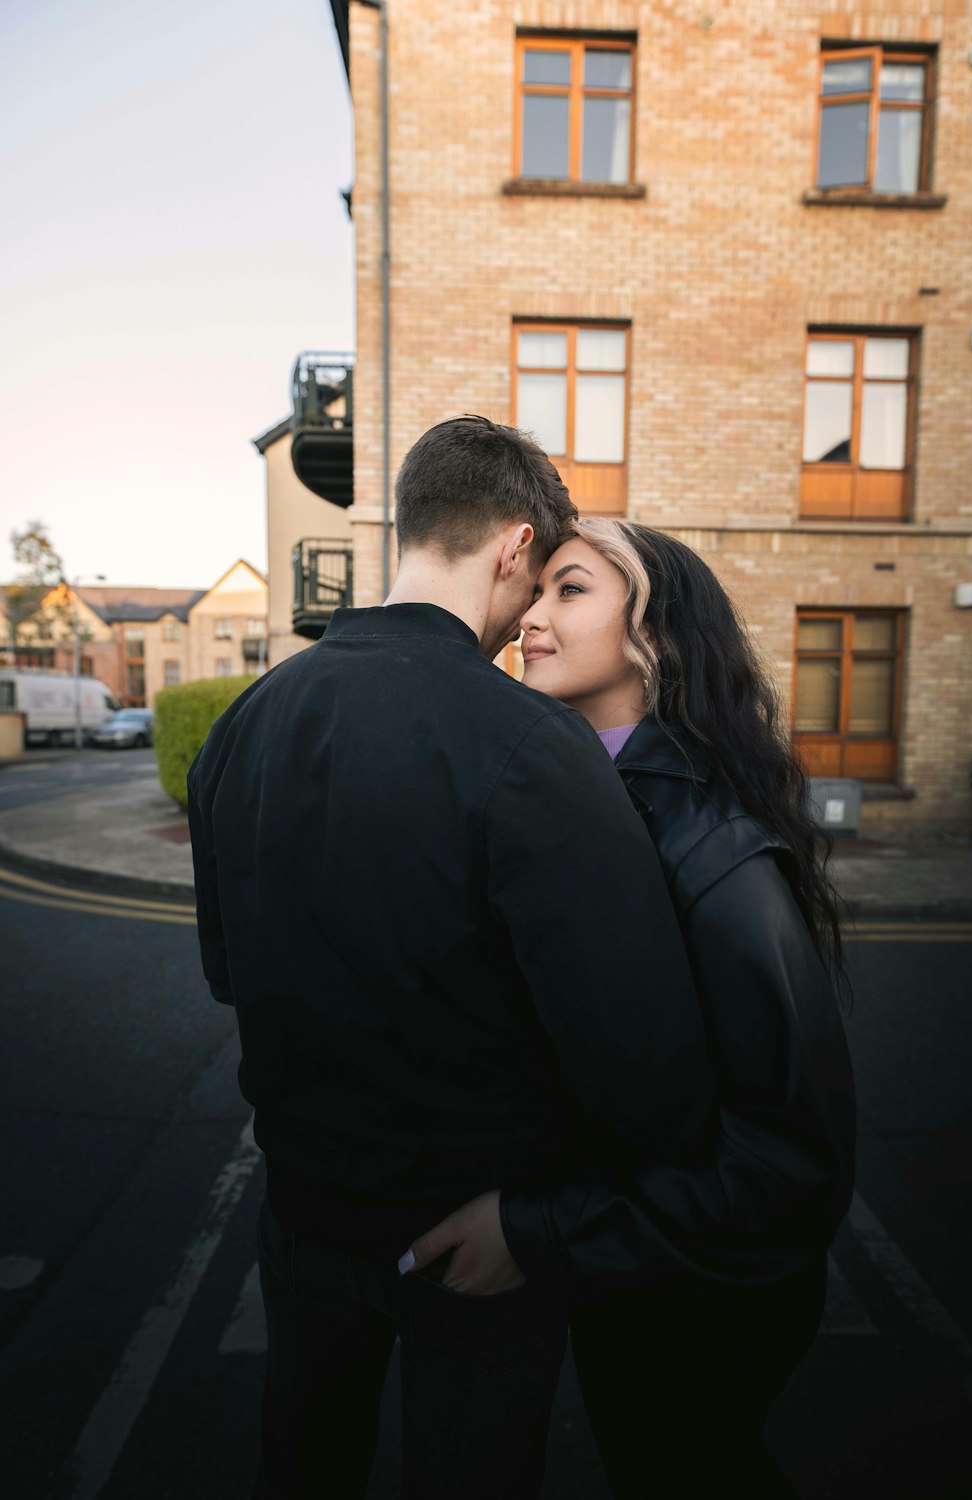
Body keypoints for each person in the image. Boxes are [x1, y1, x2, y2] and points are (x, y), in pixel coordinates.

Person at [187, 419, 715, 1500]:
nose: (530, 618)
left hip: (305, 1213)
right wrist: (552, 1221)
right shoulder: (532, 744)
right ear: (514, 548)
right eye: (540, 583)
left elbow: (228, 972)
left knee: (304, 1460)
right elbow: (639, 1052)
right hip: (475, 1241)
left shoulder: (243, 724)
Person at [477, 516, 853, 1497]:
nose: (530, 616)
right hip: (633, 1267)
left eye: (570, 589)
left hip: (703, 1299)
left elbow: (786, 1165)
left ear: (656, 639)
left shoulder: (709, 851)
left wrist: (534, 1232)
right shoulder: (586, 802)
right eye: (537, 589)